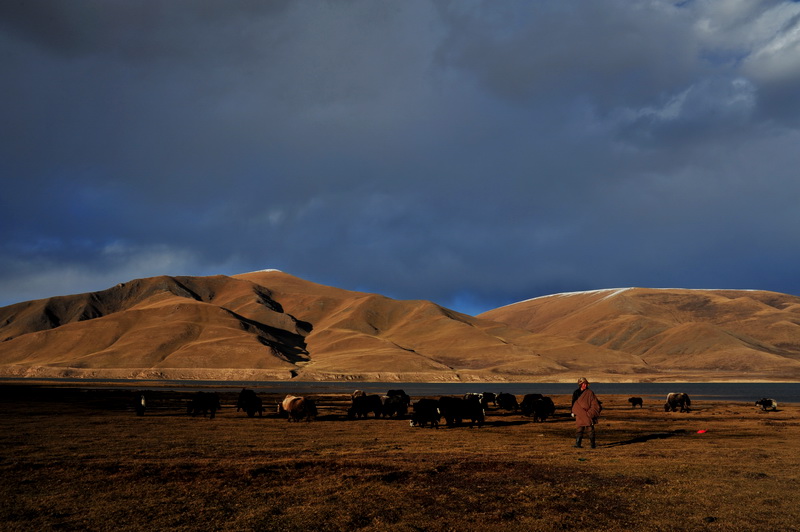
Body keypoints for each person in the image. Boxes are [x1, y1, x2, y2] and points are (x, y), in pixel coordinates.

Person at [571, 377, 601, 449]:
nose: (585, 385)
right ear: (580, 385)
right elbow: (573, 403)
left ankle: (592, 445)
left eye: (586, 384)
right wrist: (572, 411)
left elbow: (594, 403)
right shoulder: (576, 392)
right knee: (579, 429)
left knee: (590, 429)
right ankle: (578, 444)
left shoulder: (590, 393)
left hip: (588, 413)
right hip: (579, 413)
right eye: (583, 384)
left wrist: (591, 412)